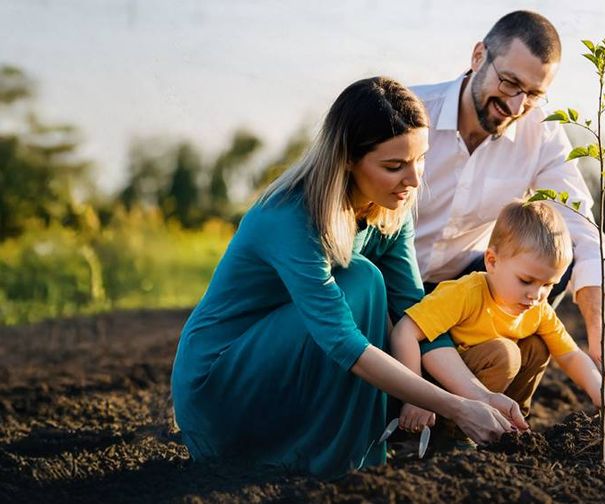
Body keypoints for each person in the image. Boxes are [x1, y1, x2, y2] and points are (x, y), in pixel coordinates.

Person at [170, 76, 527, 480]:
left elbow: (420, 315)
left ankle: (354, 455)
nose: (413, 180)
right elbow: (342, 342)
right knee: (361, 280)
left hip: (296, 365)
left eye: (420, 158)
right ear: (347, 160)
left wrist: (479, 397)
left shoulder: (389, 210)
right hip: (222, 386)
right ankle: (338, 460)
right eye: (394, 166)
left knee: (371, 288)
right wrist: (456, 408)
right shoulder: (291, 216)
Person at [409, 11, 605, 399]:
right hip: (391, 280)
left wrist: (602, 339)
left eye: (532, 94)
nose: (515, 106)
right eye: (509, 83)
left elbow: (585, 233)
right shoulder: (411, 112)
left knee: (554, 255)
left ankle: (489, 391)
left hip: (466, 287)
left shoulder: (543, 133)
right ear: (479, 56)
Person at [391, 201, 605, 432]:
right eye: (526, 281)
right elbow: (405, 332)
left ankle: (513, 424)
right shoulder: (465, 292)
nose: (536, 294)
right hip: (447, 385)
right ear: (492, 261)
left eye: (548, 285)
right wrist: (416, 397)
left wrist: (598, 389)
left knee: (537, 346)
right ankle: (457, 435)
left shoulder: (538, 308)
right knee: (506, 353)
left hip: (491, 388)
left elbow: (570, 355)